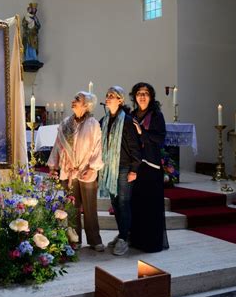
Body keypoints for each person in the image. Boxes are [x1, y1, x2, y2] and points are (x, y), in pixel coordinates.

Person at [47, 91, 105, 252]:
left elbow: (97, 147)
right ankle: (75, 240)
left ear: (86, 105)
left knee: (90, 208)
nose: (73, 101)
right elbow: (57, 145)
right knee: (72, 208)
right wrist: (53, 166)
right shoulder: (66, 123)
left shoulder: (93, 124)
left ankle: (94, 240)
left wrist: (92, 167)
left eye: (77, 99)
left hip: (87, 171)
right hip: (68, 172)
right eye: (74, 98)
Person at [99, 86, 141, 256]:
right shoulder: (103, 120)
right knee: (115, 204)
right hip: (109, 168)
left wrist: (134, 169)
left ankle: (124, 239)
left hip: (124, 168)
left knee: (123, 203)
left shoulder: (128, 121)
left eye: (112, 96)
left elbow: (135, 147)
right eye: (107, 95)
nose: (108, 98)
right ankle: (122, 234)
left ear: (120, 100)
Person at [129, 82, 170, 252]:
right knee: (138, 205)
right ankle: (138, 240)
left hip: (151, 166)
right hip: (136, 166)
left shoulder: (156, 116)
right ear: (135, 97)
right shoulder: (132, 115)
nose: (142, 96)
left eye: (146, 93)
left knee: (151, 207)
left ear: (151, 96)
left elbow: (160, 139)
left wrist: (142, 133)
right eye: (139, 93)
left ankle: (152, 243)